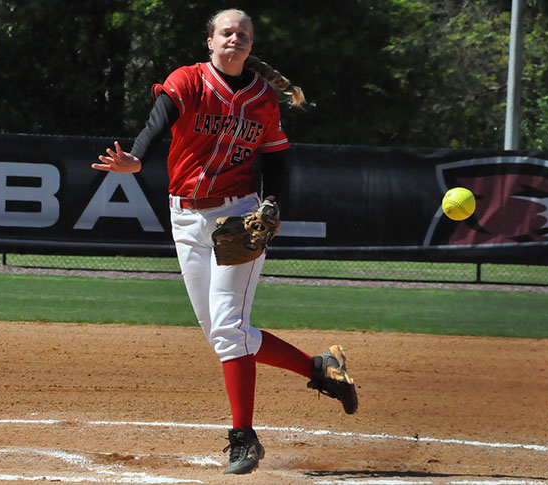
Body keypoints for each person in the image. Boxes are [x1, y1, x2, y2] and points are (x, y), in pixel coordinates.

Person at [92, 8, 357, 475]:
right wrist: (136, 157)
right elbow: (158, 121)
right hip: (185, 217)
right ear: (210, 42)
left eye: (244, 34)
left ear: (251, 46)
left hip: (236, 215)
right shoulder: (188, 81)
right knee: (222, 333)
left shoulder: (262, 99)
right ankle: (320, 369)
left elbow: (275, 159)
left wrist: (270, 204)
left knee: (229, 328)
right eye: (226, 32)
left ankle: (244, 440)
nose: (235, 38)